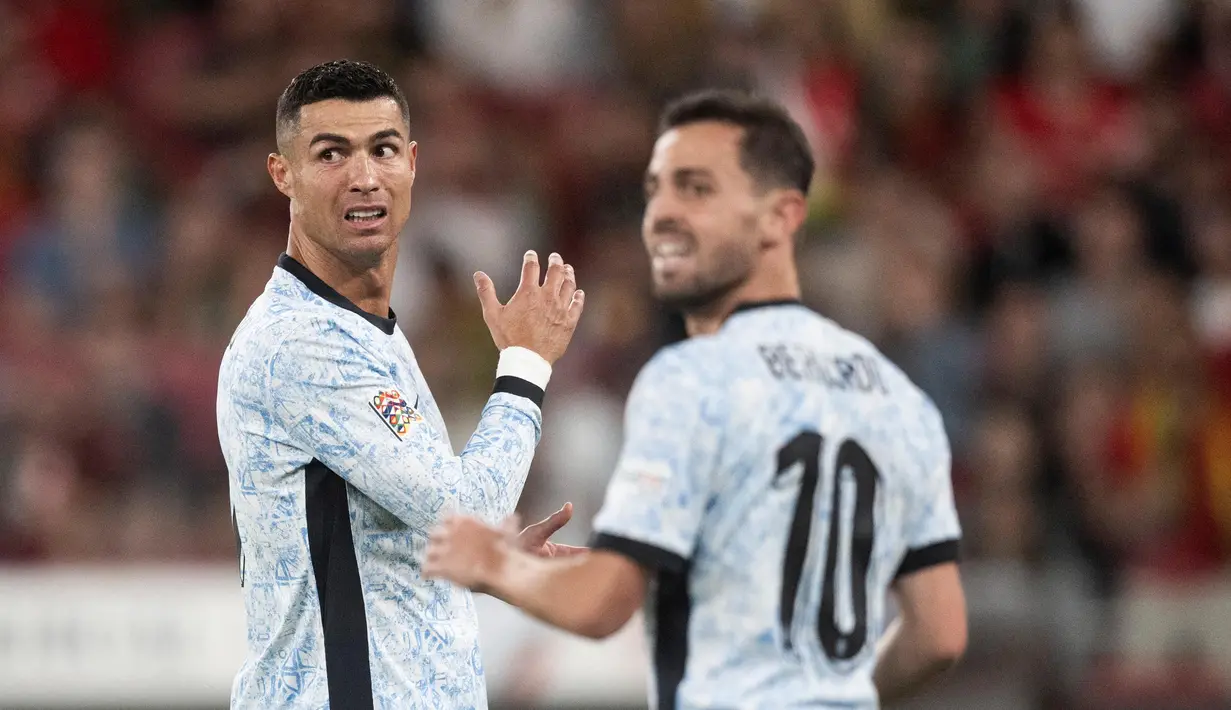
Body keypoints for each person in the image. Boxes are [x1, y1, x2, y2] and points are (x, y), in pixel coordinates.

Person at [424, 89, 968, 709]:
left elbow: (603, 606)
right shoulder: (896, 394)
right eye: (657, 189)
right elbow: (939, 635)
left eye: (697, 189)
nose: (662, 213)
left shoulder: (693, 377)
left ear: (782, 216)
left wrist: (490, 561)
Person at [216, 59, 585, 710]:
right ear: (284, 175)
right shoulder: (302, 343)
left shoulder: (365, 329)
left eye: (381, 149)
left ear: (411, 163)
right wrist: (526, 361)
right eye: (331, 154)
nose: (364, 177)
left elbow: (373, 539)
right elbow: (467, 505)